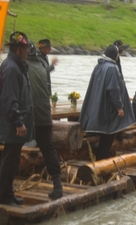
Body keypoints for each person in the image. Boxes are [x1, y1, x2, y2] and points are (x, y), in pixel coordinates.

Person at [79, 45, 135, 160]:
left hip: (98, 108)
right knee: (107, 137)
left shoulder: (98, 66)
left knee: (103, 137)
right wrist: (119, 107)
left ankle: (100, 158)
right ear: (115, 56)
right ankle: (102, 161)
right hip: (108, 110)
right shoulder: (112, 68)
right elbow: (113, 89)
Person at [0, 31, 35, 206]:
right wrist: (18, 122)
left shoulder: (18, 65)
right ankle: (4, 197)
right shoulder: (11, 67)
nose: (28, 50)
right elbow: (9, 98)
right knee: (9, 161)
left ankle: (8, 193)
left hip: (14, 123)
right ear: (18, 49)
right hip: (12, 125)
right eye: (26, 47)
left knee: (12, 161)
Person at [26, 43, 63, 200]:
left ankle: (5, 189)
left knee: (10, 150)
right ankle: (58, 185)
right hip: (43, 115)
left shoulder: (22, 66)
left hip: (28, 116)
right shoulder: (41, 65)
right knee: (48, 149)